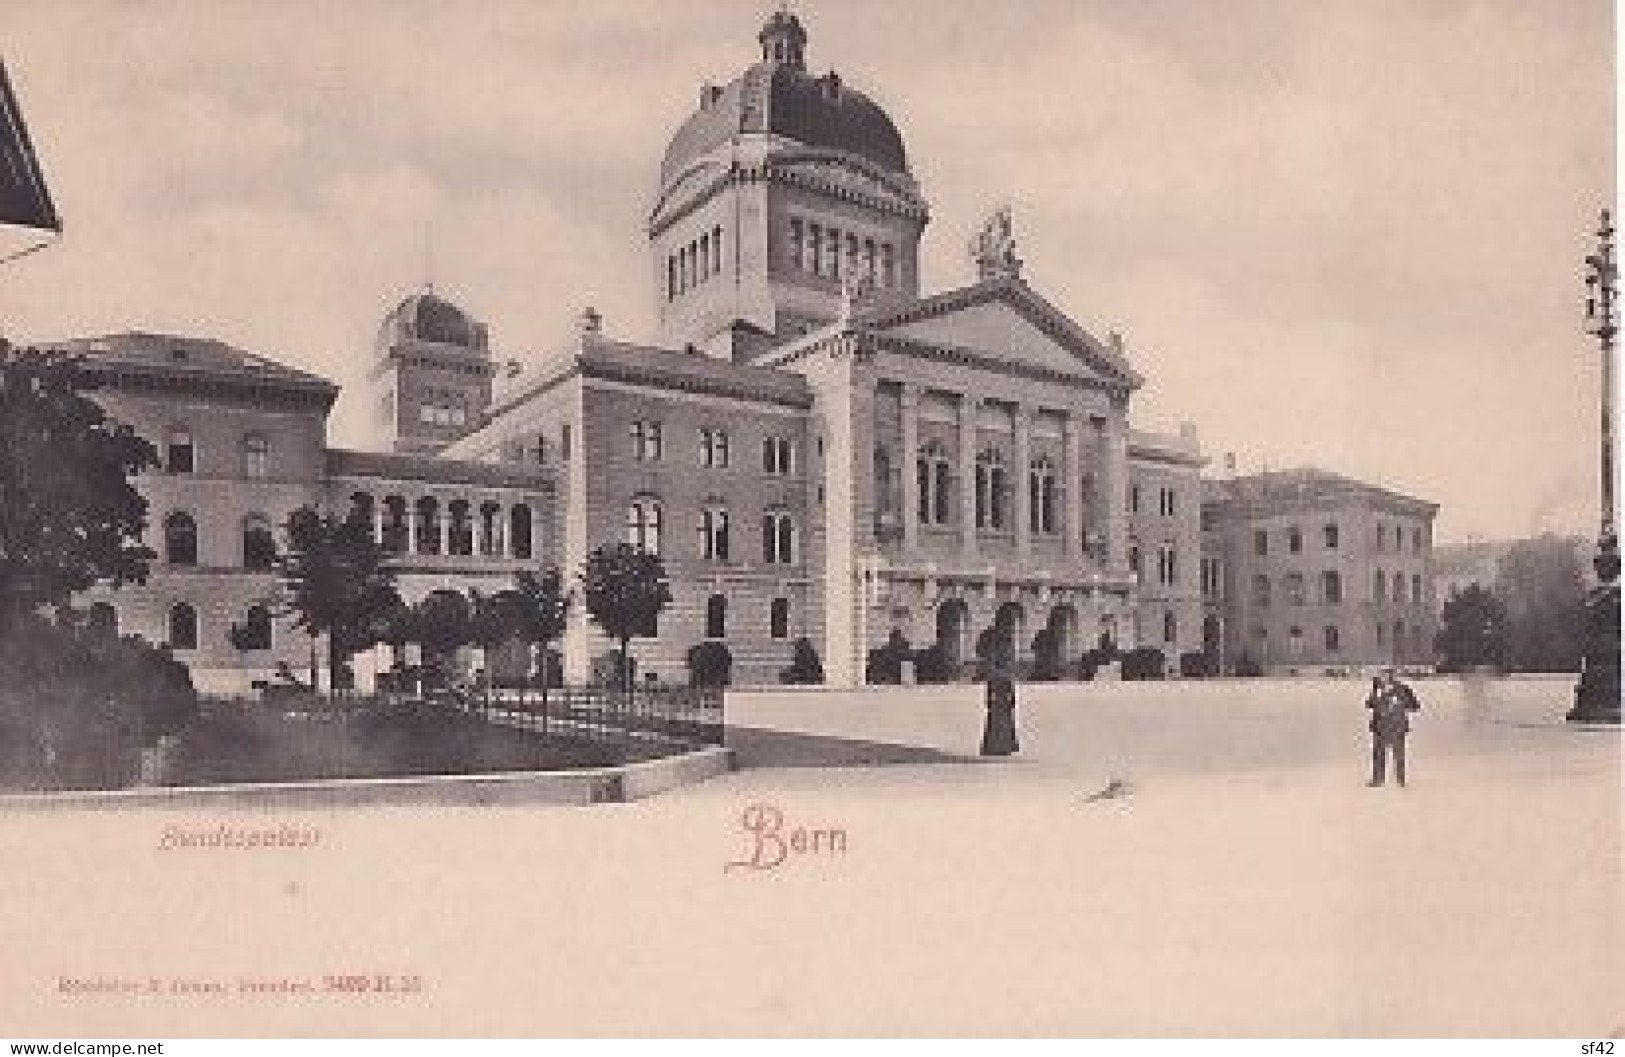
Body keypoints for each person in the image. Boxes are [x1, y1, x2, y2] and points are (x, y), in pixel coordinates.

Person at [1365, 667, 1421, 787]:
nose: (1382, 677)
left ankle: (1400, 780)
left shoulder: (1403, 688)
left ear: (1391, 676)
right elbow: (1369, 704)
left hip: (1397, 727)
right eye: (1381, 675)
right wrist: (1375, 691)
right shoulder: (1377, 689)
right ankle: (1378, 780)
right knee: (1379, 755)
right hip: (1379, 727)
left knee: (1399, 755)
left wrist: (1402, 704)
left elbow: (1415, 706)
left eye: (1385, 675)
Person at [980, 627, 1020, 757]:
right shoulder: (1005, 654)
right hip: (1002, 688)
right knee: (1004, 721)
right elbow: (1009, 676)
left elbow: (992, 675)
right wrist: (1012, 694)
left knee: (996, 721)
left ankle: (995, 747)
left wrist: (989, 693)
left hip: (998, 688)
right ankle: (1004, 747)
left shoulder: (995, 653)